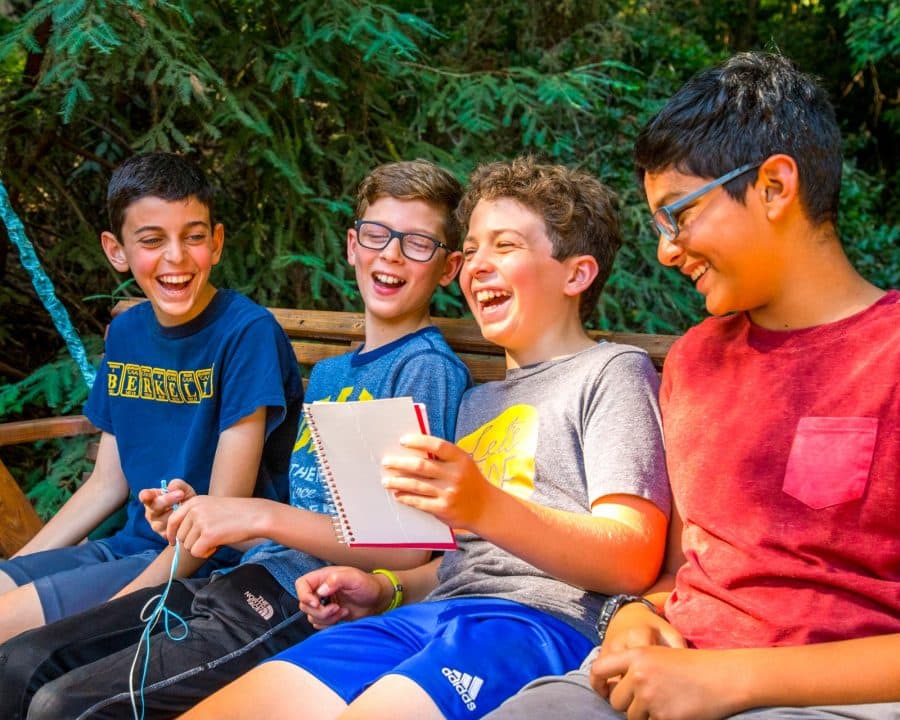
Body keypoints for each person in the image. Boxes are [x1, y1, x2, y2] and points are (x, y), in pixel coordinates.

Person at [484, 52, 900, 720]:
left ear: (774, 186)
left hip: (840, 697)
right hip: (675, 673)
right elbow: (684, 571)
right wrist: (635, 620)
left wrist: (731, 680)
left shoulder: (887, 354)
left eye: (679, 213)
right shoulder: (696, 361)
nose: (666, 250)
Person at [181, 156, 672, 720]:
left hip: (535, 624)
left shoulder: (611, 373)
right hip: (427, 616)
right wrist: (387, 588)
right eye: (473, 248)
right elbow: (464, 562)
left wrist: (485, 505)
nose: (477, 265)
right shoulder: (479, 401)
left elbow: (632, 556)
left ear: (576, 274)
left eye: (505, 246)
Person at [0, 159, 473, 719]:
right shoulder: (329, 377)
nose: (391, 254)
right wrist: (198, 511)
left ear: (449, 267)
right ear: (352, 246)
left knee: (60, 701)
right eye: (377, 235)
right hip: (242, 572)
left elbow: (406, 546)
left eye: (418, 243)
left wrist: (253, 517)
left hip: (300, 596)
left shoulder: (425, 371)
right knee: (22, 663)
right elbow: (311, 510)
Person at [0, 152, 302, 644]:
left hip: (203, 565)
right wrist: (20, 566)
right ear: (116, 250)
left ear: (217, 242)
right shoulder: (127, 334)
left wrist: (113, 611)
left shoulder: (246, 333)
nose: (176, 257)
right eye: (152, 240)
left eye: (194, 236)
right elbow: (105, 485)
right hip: (128, 546)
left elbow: (220, 516)